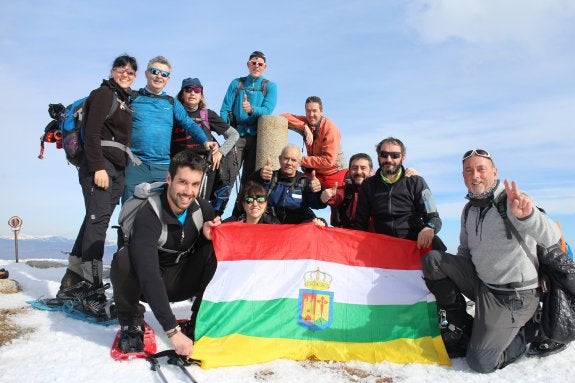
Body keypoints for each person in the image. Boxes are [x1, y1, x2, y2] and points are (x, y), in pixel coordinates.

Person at [421, 149, 564, 373]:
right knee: (434, 260)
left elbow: (551, 236)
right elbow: (465, 252)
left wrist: (528, 216)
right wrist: (457, 275)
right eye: (469, 170)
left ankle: (531, 327)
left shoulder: (512, 201)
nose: (475, 175)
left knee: (482, 362)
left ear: (494, 172)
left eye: (481, 169)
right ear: (463, 176)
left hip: (514, 296)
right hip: (483, 285)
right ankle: (460, 328)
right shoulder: (469, 210)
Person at [110, 150, 221, 356]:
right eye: (183, 182)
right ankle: (131, 322)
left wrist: (207, 238)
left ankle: (198, 321)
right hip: (145, 284)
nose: (188, 191)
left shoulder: (203, 209)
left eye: (195, 184)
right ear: (169, 178)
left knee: (216, 249)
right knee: (123, 259)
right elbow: (148, 274)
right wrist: (172, 331)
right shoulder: (149, 213)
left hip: (179, 280)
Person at [55, 54, 139, 317]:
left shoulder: (125, 101)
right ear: (112, 70)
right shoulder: (103, 94)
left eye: (130, 71)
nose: (125, 74)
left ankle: (70, 283)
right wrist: (98, 167)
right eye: (121, 69)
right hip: (100, 168)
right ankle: (92, 292)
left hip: (117, 169)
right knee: (98, 225)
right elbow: (91, 132)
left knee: (94, 221)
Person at [122, 56, 218, 202]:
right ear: (147, 74)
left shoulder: (172, 103)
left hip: (162, 167)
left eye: (164, 74)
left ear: (168, 79)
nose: (159, 76)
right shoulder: (132, 98)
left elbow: (188, 123)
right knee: (130, 211)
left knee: (162, 213)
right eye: (155, 71)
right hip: (135, 165)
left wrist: (205, 141)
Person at [353, 137, 444, 250]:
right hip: (384, 249)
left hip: (416, 246)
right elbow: (360, 223)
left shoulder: (417, 182)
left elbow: (434, 217)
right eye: (384, 154)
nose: (389, 159)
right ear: (378, 157)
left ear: (403, 158)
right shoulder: (368, 185)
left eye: (395, 155)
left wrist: (429, 228)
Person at [219, 51, 278, 206]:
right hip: (237, 135)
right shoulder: (236, 83)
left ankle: (241, 214)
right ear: (248, 64)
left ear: (265, 67)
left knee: (250, 180)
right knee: (227, 176)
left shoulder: (270, 86)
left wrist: (251, 109)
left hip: (257, 137)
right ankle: (217, 212)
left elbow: (267, 110)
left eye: (260, 64)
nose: (256, 66)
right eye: (253, 62)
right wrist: (228, 133)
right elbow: (225, 109)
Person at [173, 77, 239, 213]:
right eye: (188, 89)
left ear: (201, 95)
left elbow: (234, 134)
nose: (193, 93)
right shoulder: (173, 113)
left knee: (198, 206)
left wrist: (220, 152)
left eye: (197, 90)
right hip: (177, 165)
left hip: (203, 167)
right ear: (182, 94)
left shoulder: (207, 115)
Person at [281, 96, 347, 189]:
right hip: (316, 173)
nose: (311, 114)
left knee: (333, 199)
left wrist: (299, 160)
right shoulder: (306, 122)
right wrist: (304, 126)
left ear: (321, 111)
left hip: (334, 173)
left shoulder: (330, 128)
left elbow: (328, 161)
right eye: (308, 111)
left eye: (314, 111)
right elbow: (282, 117)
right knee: (296, 189)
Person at [251, 144, 326, 224]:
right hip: (271, 225)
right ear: (280, 159)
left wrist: (320, 192)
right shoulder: (269, 177)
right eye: (286, 158)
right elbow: (248, 191)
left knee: (321, 223)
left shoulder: (305, 182)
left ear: (299, 163)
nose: (289, 163)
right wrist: (258, 176)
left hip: (296, 229)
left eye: (293, 160)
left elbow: (316, 205)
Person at [320, 153, 375, 229]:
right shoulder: (345, 191)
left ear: (371, 171)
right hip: (348, 238)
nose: (358, 172)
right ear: (349, 171)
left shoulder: (379, 192)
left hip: (374, 238)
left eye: (363, 168)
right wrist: (327, 195)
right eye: (354, 168)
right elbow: (336, 196)